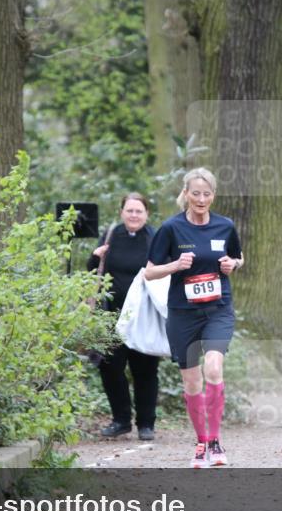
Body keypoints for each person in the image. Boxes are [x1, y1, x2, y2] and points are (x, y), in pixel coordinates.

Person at [145, 168, 243, 468]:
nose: (202, 199)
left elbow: (238, 257)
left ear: (213, 195)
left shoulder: (225, 226)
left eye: (207, 193)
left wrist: (232, 265)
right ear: (186, 194)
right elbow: (149, 271)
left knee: (213, 368)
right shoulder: (171, 229)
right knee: (191, 381)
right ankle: (201, 444)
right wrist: (175, 265)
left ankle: (215, 441)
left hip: (218, 309)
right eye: (196, 193)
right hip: (182, 313)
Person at [88, 193, 161, 440]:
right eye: (129, 210)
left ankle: (146, 424)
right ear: (121, 212)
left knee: (146, 370)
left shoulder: (155, 238)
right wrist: (94, 256)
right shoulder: (111, 236)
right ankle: (121, 420)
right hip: (111, 317)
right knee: (110, 368)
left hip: (143, 317)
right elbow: (92, 271)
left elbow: (167, 272)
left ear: (146, 214)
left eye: (139, 211)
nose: (134, 215)